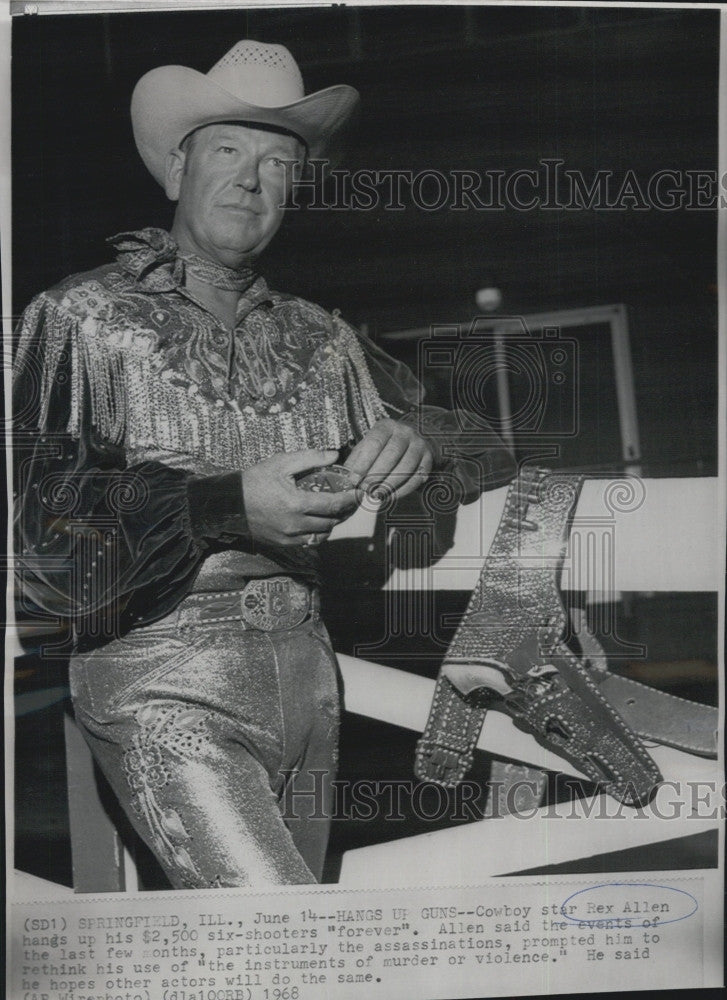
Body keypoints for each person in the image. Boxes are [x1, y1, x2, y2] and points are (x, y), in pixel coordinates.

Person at [13, 40, 514, 888]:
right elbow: (40, 545)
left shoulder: (322, 338)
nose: (251, 180)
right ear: (177, 171)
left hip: (307, 680)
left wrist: (419, 446)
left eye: (278, 163)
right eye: (228, 150)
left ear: (293, 191)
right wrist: (222, 506)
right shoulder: (79, 318)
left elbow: (487, 443)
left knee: (277, 953)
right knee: (279, 936)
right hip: (161, 673)